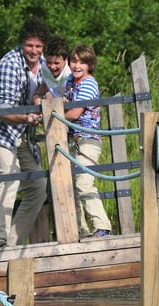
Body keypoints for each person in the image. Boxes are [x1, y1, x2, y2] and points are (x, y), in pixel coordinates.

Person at [0, 16, 49, 249]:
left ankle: (14, 243)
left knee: (38, 187)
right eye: (30, 45)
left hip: (21, 133)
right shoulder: (9, 63)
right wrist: (28, 117)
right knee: (10, 178)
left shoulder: (46, 64)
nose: (34, 51)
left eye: (38, 46)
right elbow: (3, 112)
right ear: (22, 44)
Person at [63, 44, 112, 238]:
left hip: (88, 140)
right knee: (70, 185)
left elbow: (74, 113)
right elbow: (64, 100)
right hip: (73, 139)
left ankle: (103, 226)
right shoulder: (70, 80)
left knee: (83, 183)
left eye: (82, 62)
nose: (77, 66)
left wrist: (54, 110)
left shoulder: (89, 84)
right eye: (74, 61)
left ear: (90, 65)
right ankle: (80, 230)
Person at [33, 35, 71, 102]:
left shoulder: (70, 73)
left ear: (65, 60)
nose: (52, 67)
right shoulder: (44, 67)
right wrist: (37, 95)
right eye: (49, 62)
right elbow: (45, 83)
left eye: (56, 63)